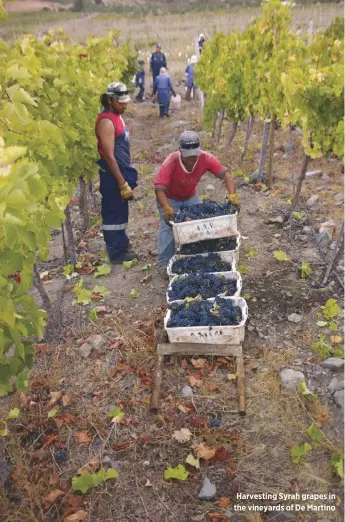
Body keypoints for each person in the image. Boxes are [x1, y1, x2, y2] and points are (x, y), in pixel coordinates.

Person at [154, 131, 239, 271]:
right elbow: (159, 188)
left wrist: (233, 195)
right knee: (168, 228)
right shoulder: (171, 162)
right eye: (188, 156)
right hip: (170, 199)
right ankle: (164, 262)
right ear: (180, 151)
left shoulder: (206, 158)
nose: (192, 158)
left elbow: (227, 176)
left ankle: (195, 252)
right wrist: (166, 207)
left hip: (190, 197)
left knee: (200, 222)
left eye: (195, 154)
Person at [95, 82, 138, 264]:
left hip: (121, 172)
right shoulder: (106, 121)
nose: (124, 105)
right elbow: (108, 155)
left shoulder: (117, 116)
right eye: (120, 102)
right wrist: (121, 182)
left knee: (121, 211)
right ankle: (115, 253)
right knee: (113, 213)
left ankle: (121, 243)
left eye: (125, 102)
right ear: (110, 100)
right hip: (112, 176)